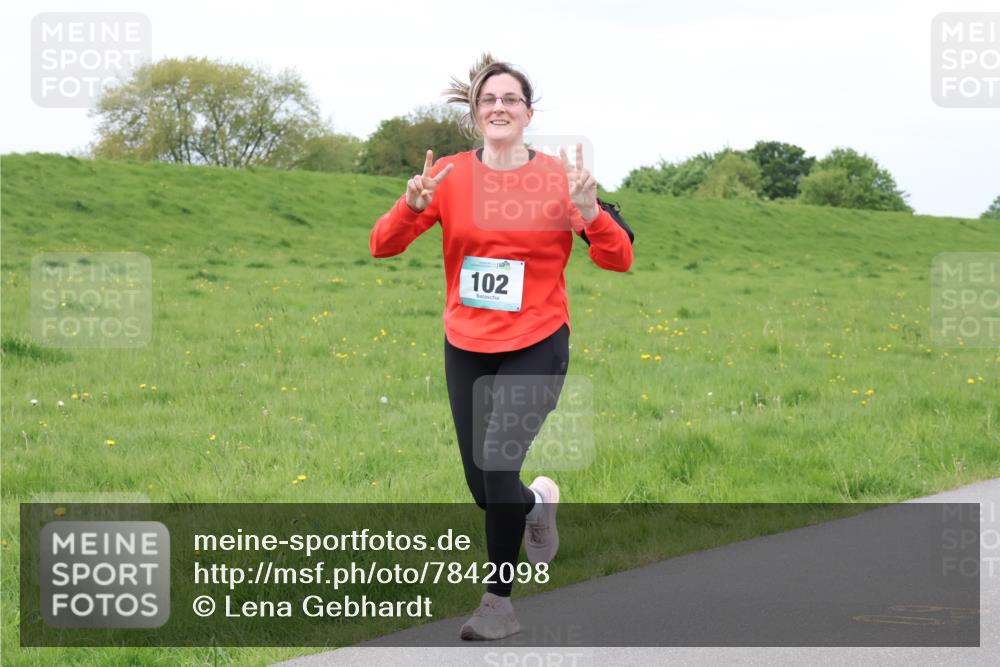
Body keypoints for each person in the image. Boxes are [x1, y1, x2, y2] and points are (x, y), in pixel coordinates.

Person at [369, 53, 633, 641]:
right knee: (483, 486)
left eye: (511, 99)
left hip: (537, 340)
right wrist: (411, 206)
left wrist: (591, 213)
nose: (499, 107)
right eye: (489, 99)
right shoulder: (449, 176)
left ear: (528, 114)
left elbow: (619, 257)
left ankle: (498, 605)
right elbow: (381, 245)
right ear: (475, 113)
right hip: (466, 343)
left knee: (496, 463)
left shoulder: (558, 178)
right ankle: (536, 505)